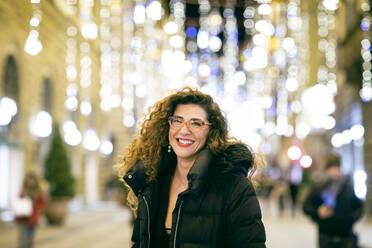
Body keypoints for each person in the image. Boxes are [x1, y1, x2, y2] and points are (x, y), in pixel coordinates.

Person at [116, 87, 266, 248]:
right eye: (177, 120)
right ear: (168, 127)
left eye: (196, 123)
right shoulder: (153, 182)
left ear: (211, 132)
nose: (184, 130)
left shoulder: (234, 186)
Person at [303, 155, 363, 248]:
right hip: (326, 236)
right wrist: (318, 212)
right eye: (332, 168)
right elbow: (306, 207)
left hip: (346, 237)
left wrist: (350, 219)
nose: (335, 171)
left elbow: (359, 208)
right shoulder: (319, 187)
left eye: (337, 168)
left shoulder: (348, 187)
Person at [15, 172, 47, 248]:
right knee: (22, 239)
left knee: (30, 240)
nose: (30, 182)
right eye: (29, 180)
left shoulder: (39, 192)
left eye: (32, 180)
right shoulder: (23, 191)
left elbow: (43, 203)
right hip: (23, 218)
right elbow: (19, 201)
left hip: (33, 218)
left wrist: (38, 211)